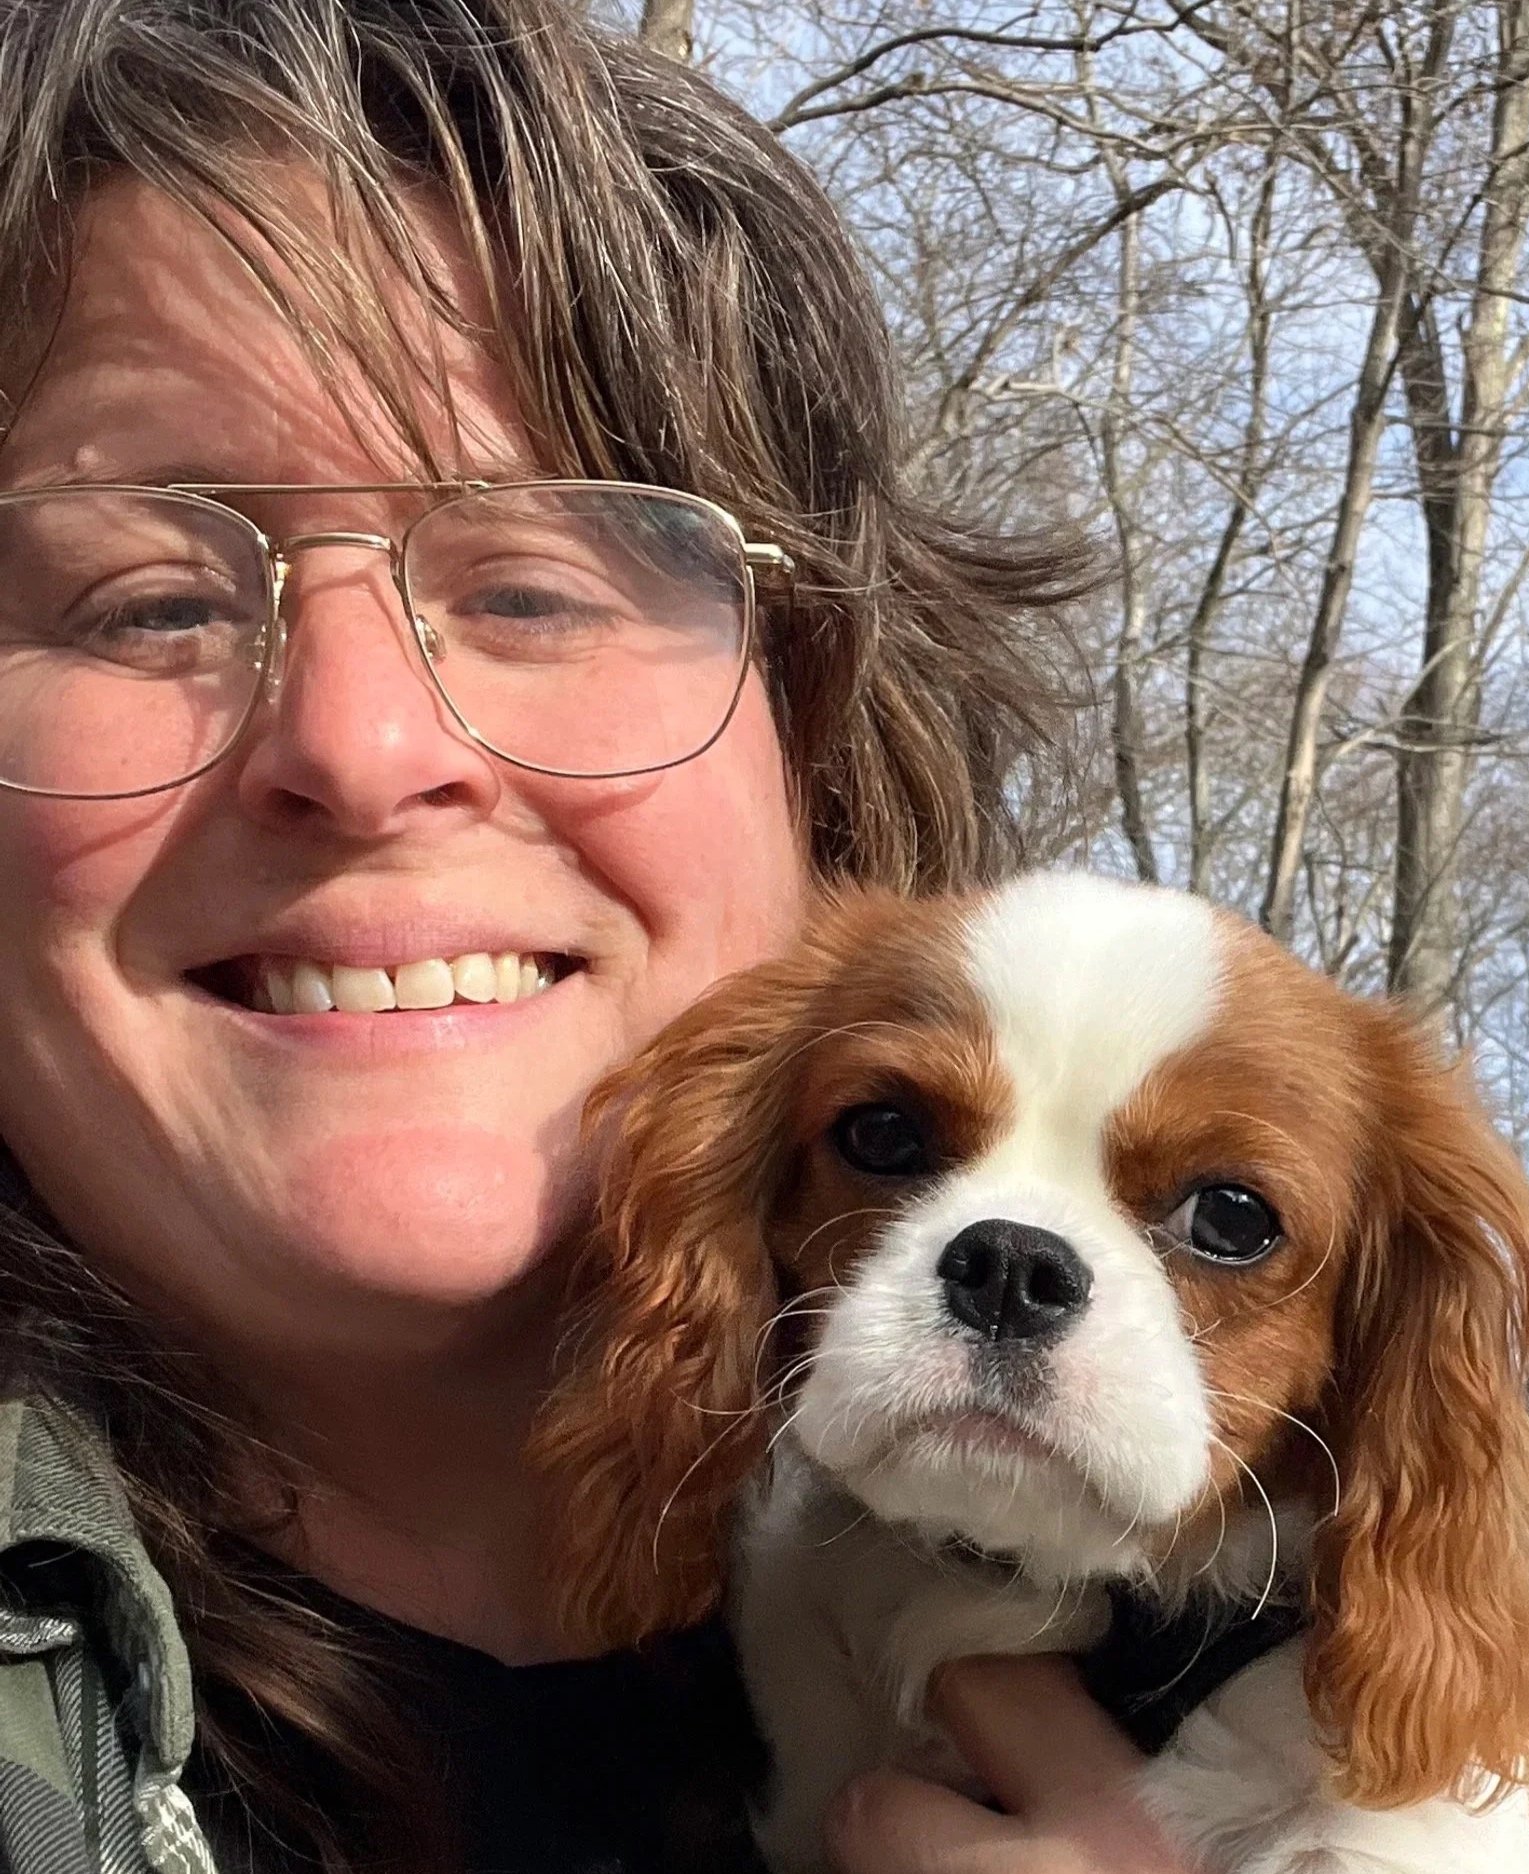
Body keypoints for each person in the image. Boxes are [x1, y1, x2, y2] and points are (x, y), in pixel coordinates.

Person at [0, 2, 1190, 1872]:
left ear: (826, 749)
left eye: (539, 584)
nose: (362, 747)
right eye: (150, 601)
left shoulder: (1286, 1680)